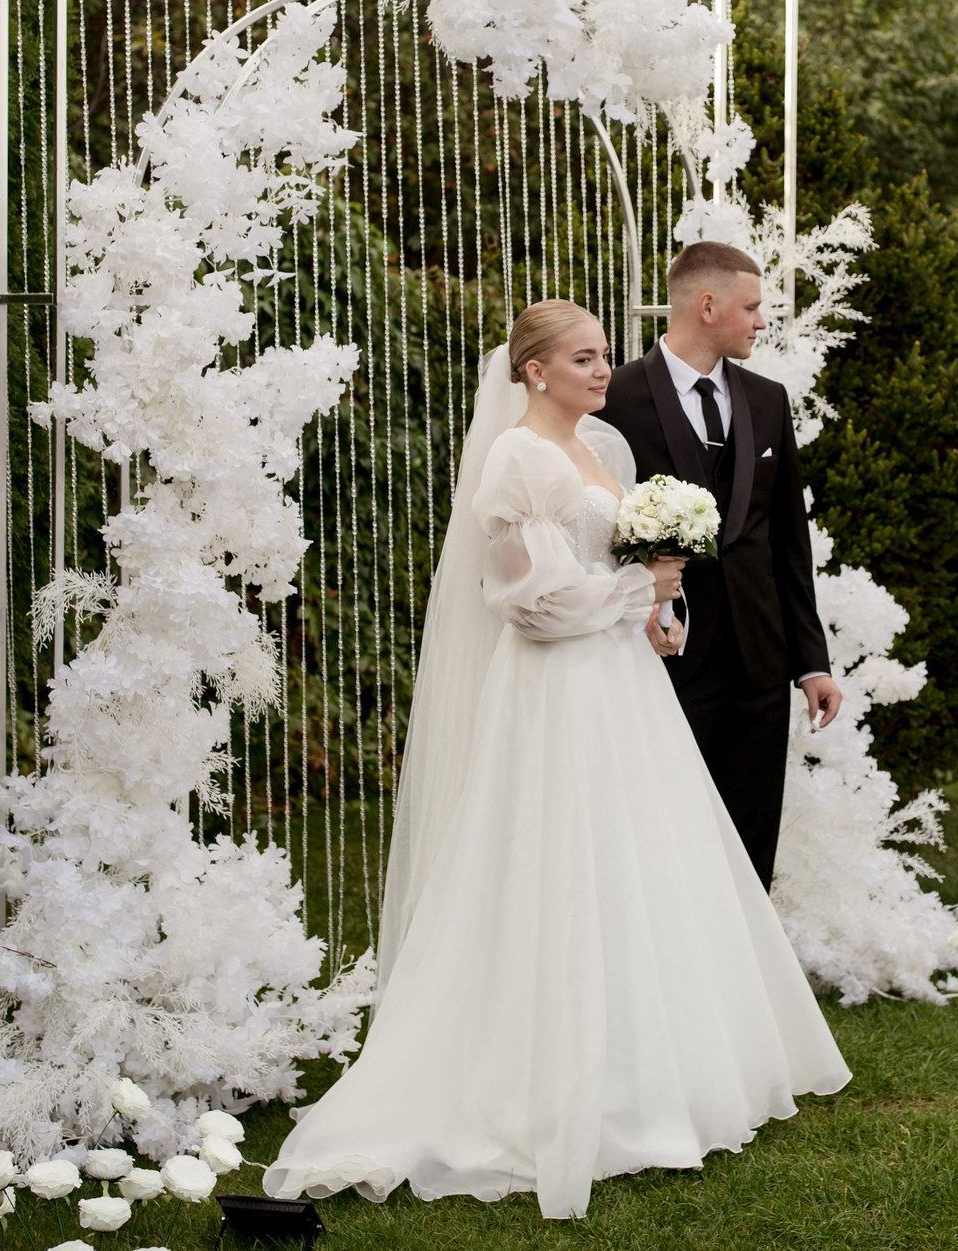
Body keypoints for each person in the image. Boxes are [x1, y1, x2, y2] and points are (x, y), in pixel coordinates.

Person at [258, 301, 848, 1220]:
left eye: (606, 354)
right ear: (533, 370)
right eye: (582, 357)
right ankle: (541, 1082)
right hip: (552, 693)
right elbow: (527, 600)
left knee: (640, 866)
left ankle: (653, 1075)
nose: (602, 369)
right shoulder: (518, 458)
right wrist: (632, 589)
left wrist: (663, 604)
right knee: (554, 866)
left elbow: (620, 580)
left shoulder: (604, 451)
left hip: (624, 686)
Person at [597, 241, 840, 887]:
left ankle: (746, 979)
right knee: (659, 833)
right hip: (661, 658)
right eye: (752, 306)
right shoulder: (614, 398)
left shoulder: (766, 400)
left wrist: (810, 661)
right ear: (708, 305)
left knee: (750, 839)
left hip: (759, 661)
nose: (761, 320)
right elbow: (592, 531)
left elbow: (788, 538)